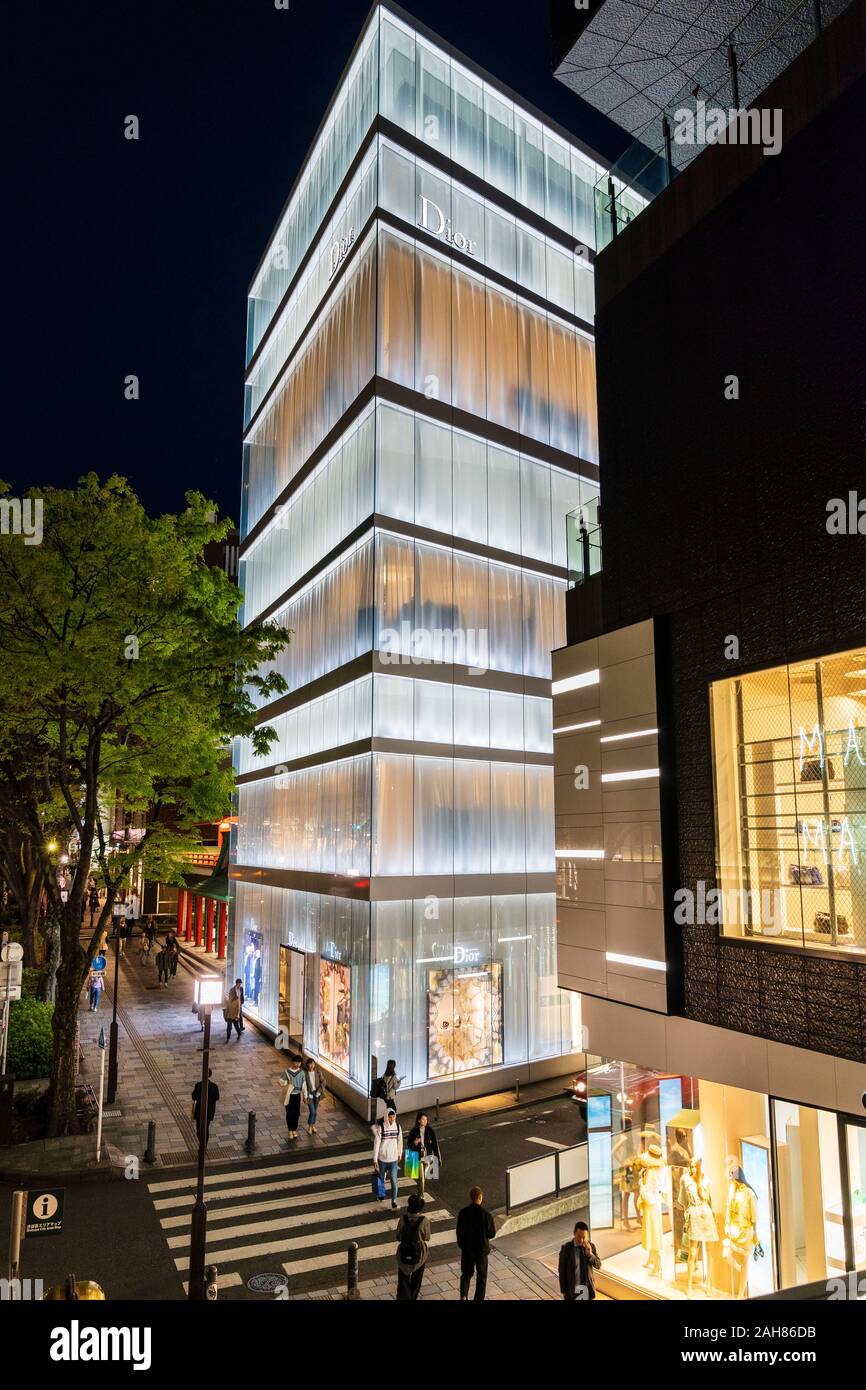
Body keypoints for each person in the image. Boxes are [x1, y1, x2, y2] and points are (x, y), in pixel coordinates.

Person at [456, 1186, 496, 1301]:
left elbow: (459, 1231)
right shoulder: (486, 1215)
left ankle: (464, 1295)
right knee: (481, 1277)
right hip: (481, 1251)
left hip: (467, 1250)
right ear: (480, 1197)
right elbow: (491, 1234)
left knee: (466, 1274)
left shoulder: (463, 1213)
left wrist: (462, 1245)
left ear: (471, 1197)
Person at [395, 1194, 431, 1301]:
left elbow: (398, 1237)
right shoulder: (424, 1221)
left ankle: (403, 1297)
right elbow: (427, 1237)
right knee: (416, 1281)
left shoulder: (403, 1219)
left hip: (404, 1254)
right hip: (419, 1255)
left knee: (403, 1280)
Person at [558, 1221, 602, 1301]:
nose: (581, 1240)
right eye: (579, 1237)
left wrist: (590, 1254)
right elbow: (562, 1270)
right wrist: (563, 1290)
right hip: (572, 1290)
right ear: (574, 1233)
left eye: (584, 1237)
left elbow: (598, 1265)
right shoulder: (567, 1248)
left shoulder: (591, 1246)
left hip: (587, 1290)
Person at [372, 1104, 403, 1210]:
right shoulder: (381, 1128)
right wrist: (375, 1159)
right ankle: (381, 1195)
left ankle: (394, 1201)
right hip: (383, 1159)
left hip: (394, 1159)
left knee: (394, 1180)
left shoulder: (398, 1127)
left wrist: (400, 1153)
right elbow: (376, 1143)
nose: (392, 1118)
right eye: (390, 1117)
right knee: (381, 1179)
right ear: (386, 1117)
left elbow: (400, 1141)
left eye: (393, 1116)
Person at [406, 1111, 441, 1196]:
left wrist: (438, 1158)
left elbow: (435, 1145)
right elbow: (409, 1144)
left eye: (426, 1119)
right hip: (418, 1157)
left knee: (423, 1177)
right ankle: (421, 1196)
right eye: (423, 1119)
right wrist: (415, 1142)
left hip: (427, 1156)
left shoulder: (430, 1130)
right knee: (421, 1178)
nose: (425, 1121)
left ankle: (419, 1192)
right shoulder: (414, 1131)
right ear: (418, 1120)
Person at [191, 1069, 220, 1148]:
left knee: (199, 1129)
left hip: (199, 1112)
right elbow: (217, 1097)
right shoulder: (214, 1086)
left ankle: (201, 1144)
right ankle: (204, 1145)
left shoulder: (198, 1085)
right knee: (206, 1128)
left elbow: (194, 1097)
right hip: (209, 1112)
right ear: (210, 1075)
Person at [281, 1055, 307, 1140]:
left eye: (299, 1062)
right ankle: (290, 1130)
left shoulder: (302, 1072)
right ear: (292, 1062)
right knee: (289, 1113)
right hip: (289, 1095)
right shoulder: (287, 1072)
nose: (297, 1064)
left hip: (297, 1095)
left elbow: (304, 1085)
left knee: (296, 1113)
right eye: (296, 1062)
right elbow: (281, 1081)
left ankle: (294, 1129)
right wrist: (285, 1083)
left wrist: (305, 1096)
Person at [303, 1056, 325, 1134]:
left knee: (315, 1111)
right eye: (310, 1064)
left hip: (317, 1094)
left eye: (313, 1064)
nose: (312, 1065)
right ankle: (309, 1126)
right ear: (307, 1065)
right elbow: (304, 1085)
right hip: (310, 1095)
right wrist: (305, 1096)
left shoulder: (318, 1072)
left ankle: (313, 1126)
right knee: (312, 1111)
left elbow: (323, 1082)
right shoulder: (305, 1073)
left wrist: (319, 1091)